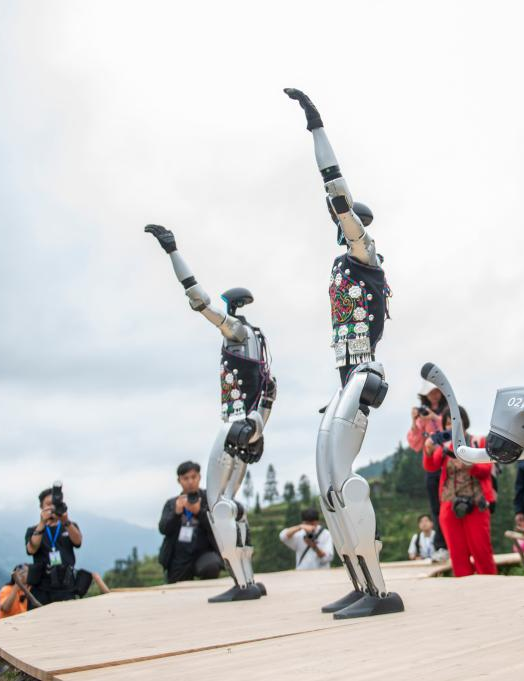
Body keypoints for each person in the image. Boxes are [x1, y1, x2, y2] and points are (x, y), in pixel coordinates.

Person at [286, 87, 403, 618]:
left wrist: (316, 127)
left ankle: (378, 589)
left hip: (362, 374)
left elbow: (337, 192)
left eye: (349, 221)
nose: (342, 225)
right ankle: (360, 580)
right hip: (345, 379)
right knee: (330, 486)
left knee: (344, 481)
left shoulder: (365, 255)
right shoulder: (344, 263)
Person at [145, 224, 276, 603]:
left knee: (219, 505)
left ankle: (242, 582)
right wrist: (258, 428)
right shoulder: (257, 341)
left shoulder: (236, 331)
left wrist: (173, 252)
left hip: (233, 425)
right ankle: (247, 578)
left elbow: (198, 299)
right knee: (231, 504)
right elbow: (270, 391)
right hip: (249, 424)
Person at [423, 407, 497, 577]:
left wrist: (469, 465)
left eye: (455, 422)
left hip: (476, 503)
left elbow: (487, 469)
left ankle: (491, 586)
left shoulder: (478, 441)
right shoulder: (444, 447)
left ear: (464, 422)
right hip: (449, 504)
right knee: (457, 555)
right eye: (448, 423)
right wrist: (428, 451)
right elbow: (431, 466)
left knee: (481, 551)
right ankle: (465, 588)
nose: (451, 426)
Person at [158, 461, 226, 584]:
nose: (190, 482)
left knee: (211, 565)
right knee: (176, 587)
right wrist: (176, 513)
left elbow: (219, 526)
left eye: (193, 477)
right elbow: (163, 529)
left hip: (205, 553)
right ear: (179, 480)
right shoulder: (172, 503)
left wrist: (199, 512)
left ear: (199, 477)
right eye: (185, 478)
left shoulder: (209, 498)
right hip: (180, 556)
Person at [407, 380, 449, 561]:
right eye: (431, 392)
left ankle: (452, 544)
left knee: (449, 506)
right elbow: (415, 443)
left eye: (436, 391)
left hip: (448, 462)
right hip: (432, 465)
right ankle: (441, 545)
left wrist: (435, 417)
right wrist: (414, 420)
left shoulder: (448, 410)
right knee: (436, 508)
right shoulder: (422, 416)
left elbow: (453, 430)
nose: (434, 395)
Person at [25, 486, 84, 605]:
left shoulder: (68, 526)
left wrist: (65, 521)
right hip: (42, 588)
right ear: (41, 507)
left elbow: (78, 542)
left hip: (66, 586)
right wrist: (42, 523)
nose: (52, 507)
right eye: (48, 504)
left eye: (54, 504)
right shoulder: (34, 530)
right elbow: (31, 549)